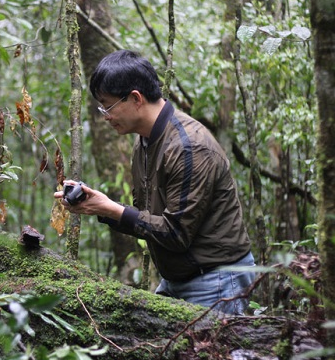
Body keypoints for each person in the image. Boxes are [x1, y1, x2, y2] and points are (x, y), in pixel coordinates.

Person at [55, 49, 255, 315]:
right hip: (178, 278)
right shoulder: (145, 141)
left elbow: (175, 234)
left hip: (216, 280)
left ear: (136, 98)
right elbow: (150, 219)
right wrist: (102, 206)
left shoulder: (189, 147)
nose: (105, 116)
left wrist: (112, 209)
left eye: (108, 106)